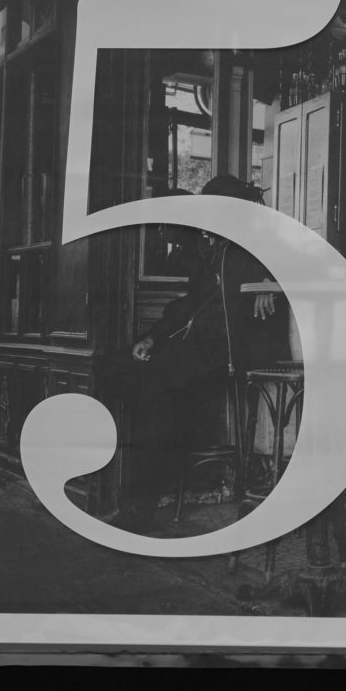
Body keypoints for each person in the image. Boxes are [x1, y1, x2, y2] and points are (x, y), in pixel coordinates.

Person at [96, 175, 288, 533]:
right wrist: (152, 337)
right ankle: (146, 477)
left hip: (229, 352)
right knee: (116, 369)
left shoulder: (260, 241)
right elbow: (187, 306)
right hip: (193, 345)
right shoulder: (211, 251)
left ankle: (140, 506)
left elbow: (296, 264)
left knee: (155, 388)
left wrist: (271, 285)